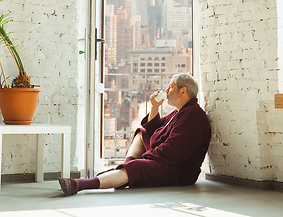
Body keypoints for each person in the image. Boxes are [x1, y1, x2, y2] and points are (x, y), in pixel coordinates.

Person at [58, 73, 211, 196]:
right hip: (166, 159)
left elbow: (173, 153)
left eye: (170, 87)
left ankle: (79, 185)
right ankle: (125, 170)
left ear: (183, 91)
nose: (166, 91)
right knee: (141, 133)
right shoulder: (180, 112)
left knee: (137, 167)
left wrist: (145, 158)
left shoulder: (193, 116)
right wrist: (155, 107)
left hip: (178, 170)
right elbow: (154, 126)